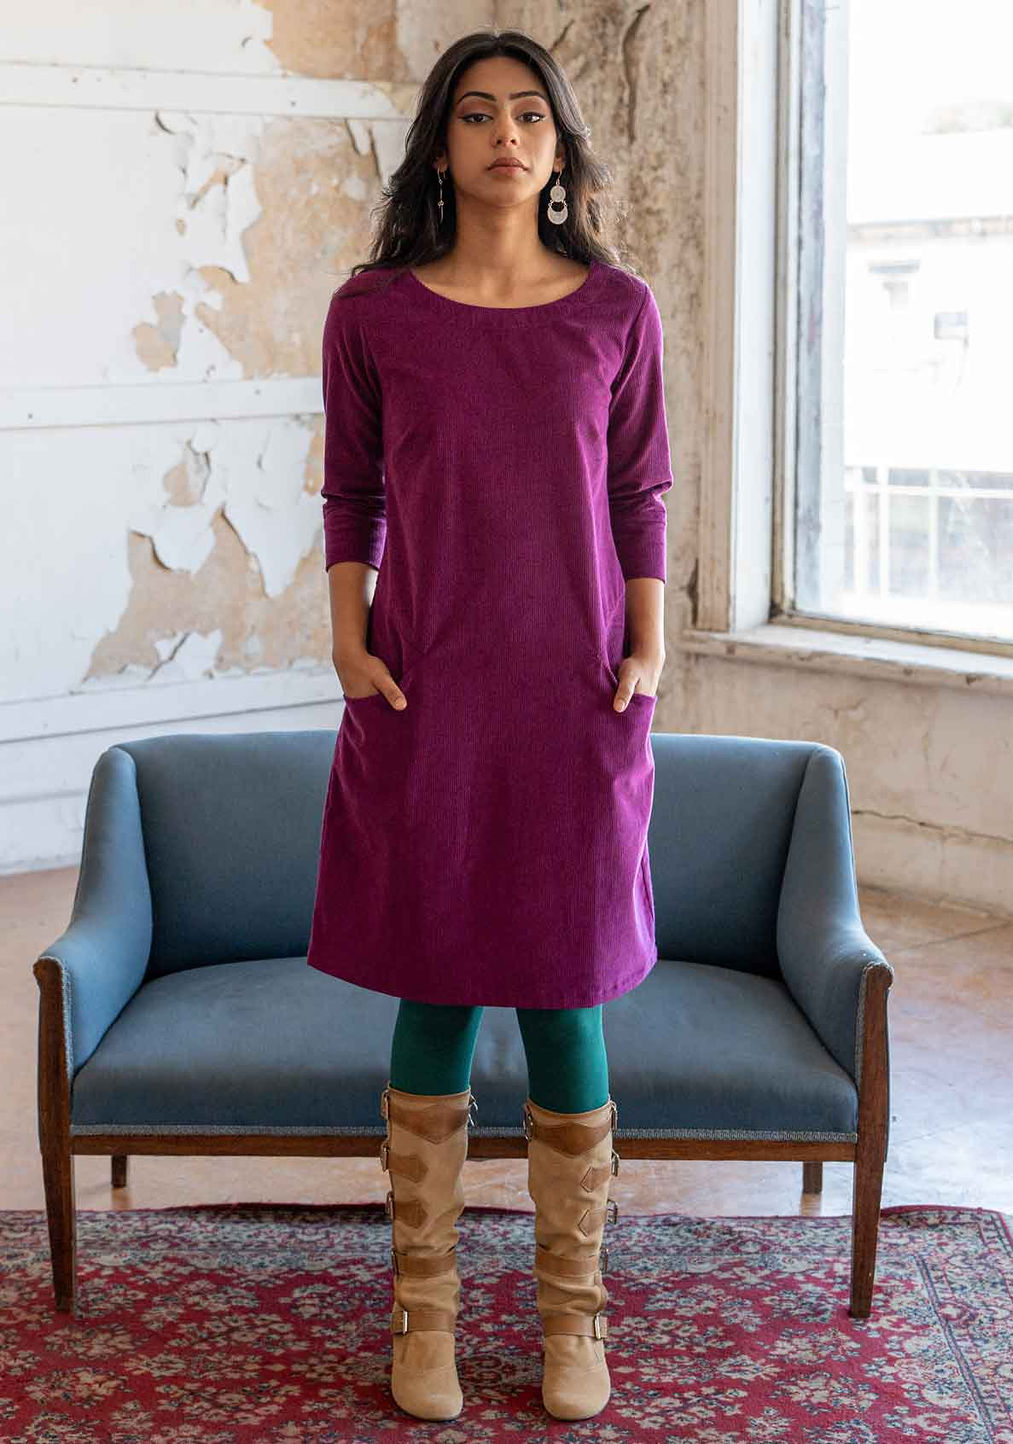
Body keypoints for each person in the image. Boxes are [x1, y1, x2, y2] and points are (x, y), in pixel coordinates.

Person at [305, 26, 674, 1425]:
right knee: (438, 977)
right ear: (442, 147)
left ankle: (574, 1319)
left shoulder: (616, 310)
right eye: (476, 115)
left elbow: (639, 489)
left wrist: (646, 644)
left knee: (567, 986)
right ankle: (426, 1316)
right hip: (427, 687)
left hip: (578, 700)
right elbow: (352, 492)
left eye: (530, 115)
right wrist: (349, 638)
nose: (505, 136)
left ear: (561, 148)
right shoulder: (375, 313)